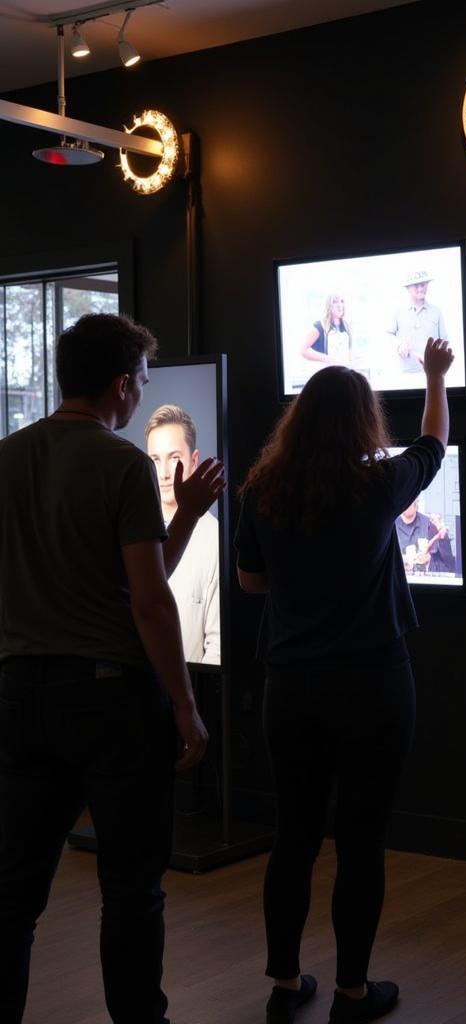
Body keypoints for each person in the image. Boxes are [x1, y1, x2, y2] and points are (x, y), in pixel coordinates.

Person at [0, 313, 224, 1024]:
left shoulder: (5, 458)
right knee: (132, 890)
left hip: (18, 697)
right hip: (109, 703)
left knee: (13, 893)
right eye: (144, 383)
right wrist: (186, 706)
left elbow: (130, 576)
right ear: (123, 385)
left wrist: (182, 517)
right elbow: (150, 602)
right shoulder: (121, 464)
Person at [235, 337, 455, 1024]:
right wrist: (434, 376)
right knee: (361, 839)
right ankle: (353, 994)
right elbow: (432, 443)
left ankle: (283, 983)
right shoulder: (379, 484)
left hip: (291, 686)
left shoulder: (263, 489)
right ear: (364, 422)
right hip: (373, 683)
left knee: (294, 835)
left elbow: (250, 581)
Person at [146, 404, 221, 664]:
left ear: (194, 460)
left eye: (174, 457)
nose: (165, 473)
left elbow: (218, 644)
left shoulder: (214, 538)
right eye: (155, 459)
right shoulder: (133, 531)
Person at [386, 270, 447, 373]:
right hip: (404, 372)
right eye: (416, 285)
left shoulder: (437, 311)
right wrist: (399, 345)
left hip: (432, 372)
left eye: (423, 284)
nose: (420, 288)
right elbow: (387, 335)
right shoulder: (398, 311)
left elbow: (444, 340)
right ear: (407, 288)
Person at [395, 498, 455, 574]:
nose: (408, 502)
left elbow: (449, 568)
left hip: (424, 582)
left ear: (417, 501)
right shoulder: (390, 526)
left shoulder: (430, 525)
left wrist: (429, 562)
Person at [301, 294, 353, 366]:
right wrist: (327, 358)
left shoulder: (346, 326)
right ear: (328, 305)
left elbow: (348, 353)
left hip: (343, 371)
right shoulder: (320, 326)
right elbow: (303, 350)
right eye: (335, 302)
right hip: (325, 372)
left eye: (342, 301)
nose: (340, 305)